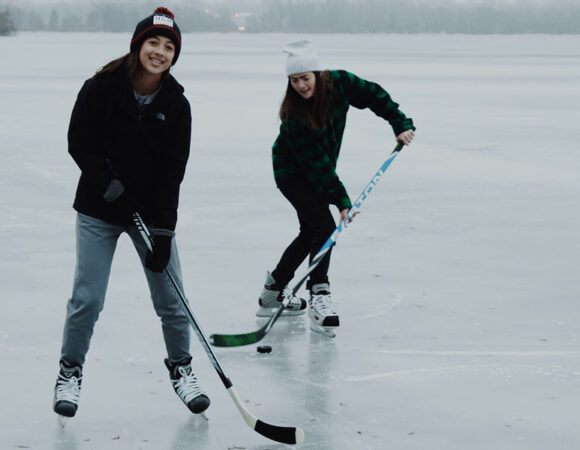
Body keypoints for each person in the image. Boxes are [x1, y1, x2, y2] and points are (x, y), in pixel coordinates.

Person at [52, 7, 210, 420]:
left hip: (149, 214)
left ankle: (181, 368)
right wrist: (111, 187)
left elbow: (173, 172)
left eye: (169, 46)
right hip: (98, 210)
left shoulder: (177, 105)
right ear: (138, 44)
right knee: (87, 298)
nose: (159, 51)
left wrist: (164, 232)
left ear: (175, 55)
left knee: (172, 299)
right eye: (153, 42)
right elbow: (79, 143)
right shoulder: (100, 87)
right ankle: (70, 371)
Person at [257, 39, 415, 335]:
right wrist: (342, 201)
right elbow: (316, 164)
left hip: (317, 170)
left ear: (318, 73)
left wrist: (399, 122)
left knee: (311, 232)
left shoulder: (340, 82)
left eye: (305, 78)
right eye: (294, 80)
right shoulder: (293, 115)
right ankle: (319, 294)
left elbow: (374, 95)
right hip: (292, 172)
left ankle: (274, 290)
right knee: (324, 228)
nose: (301, 86)